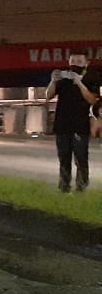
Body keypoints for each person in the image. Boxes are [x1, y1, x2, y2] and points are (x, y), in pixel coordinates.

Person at [45, 52, 100, 193]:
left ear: (87, 63)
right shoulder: (63, 78)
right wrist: (53, 81)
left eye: (79, 61)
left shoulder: (92, 77)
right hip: (62, 123)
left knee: (81, 157)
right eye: (73, 61)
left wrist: (79, 83)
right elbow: (48, 96)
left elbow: (92, 100)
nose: (75, 64)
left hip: (80, 124)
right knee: (64, 157)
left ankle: (81, 187)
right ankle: (64, 186)